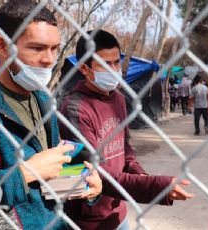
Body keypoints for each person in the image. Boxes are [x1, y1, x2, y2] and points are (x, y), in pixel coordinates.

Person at [0, 1, 102, 229]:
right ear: (2, 46)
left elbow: (48, 175)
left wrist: (85, 185)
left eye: (54, 48)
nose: (49, 59)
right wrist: (24, 173)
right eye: (37, 48)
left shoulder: (44, 99)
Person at [59, 30, 194, 230]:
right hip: (89, 221)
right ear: (85, 69)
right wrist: (157, 187)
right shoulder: (74, 109)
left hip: (118, 212)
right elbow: (98, 171)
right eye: (105, 64)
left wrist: (138, 172)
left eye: (116, 62)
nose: (115, 70)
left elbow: (124, 147)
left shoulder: (118, 99)